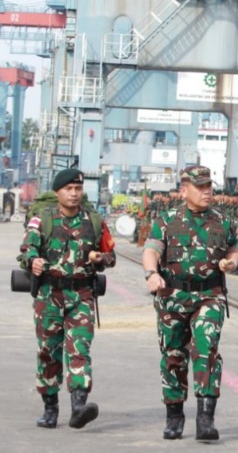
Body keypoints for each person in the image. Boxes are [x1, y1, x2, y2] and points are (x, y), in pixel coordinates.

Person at [142, 165, 238, 441]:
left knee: (206, 348)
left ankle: (205, 418)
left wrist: (231, 262)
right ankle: (174, 415)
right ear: (184, 190)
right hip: (172, 296)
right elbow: (151, 249)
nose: (208, 192)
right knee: (173, 355)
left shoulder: (222, 221)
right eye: (201, 187)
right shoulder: (167, 220)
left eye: (210, 186)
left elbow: (234, 248)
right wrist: (152, 274)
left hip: (209, 295)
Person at [19, 168, 116, 430]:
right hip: (49, 295)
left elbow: (111, 256)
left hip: (82, 295)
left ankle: (78, 407)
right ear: (58, 192)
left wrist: (100, 259)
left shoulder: (94, 221)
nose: (74, 194)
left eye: (78, 189)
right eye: (68, 189)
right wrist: (34, 261)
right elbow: (27, 249)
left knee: (79, 350)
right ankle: (50, 408)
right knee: (48, 352)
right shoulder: (43, 219)